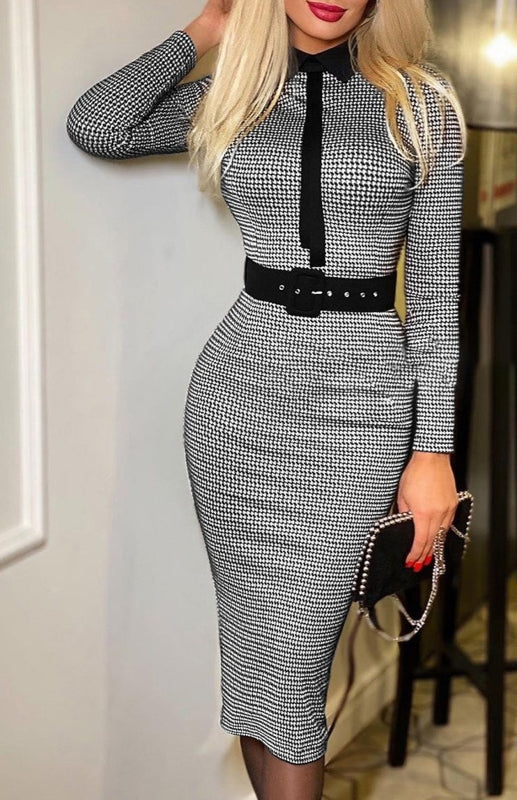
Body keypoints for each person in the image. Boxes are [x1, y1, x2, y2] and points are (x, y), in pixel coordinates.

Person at [66, 0, 467, 797]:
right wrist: (211, 27)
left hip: (360, 406)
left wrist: (432, 451)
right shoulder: (235, 94)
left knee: (291, 673)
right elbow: (98, 125)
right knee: (259, 671)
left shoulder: (422, 107)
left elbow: (434, 296)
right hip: (237, 396)